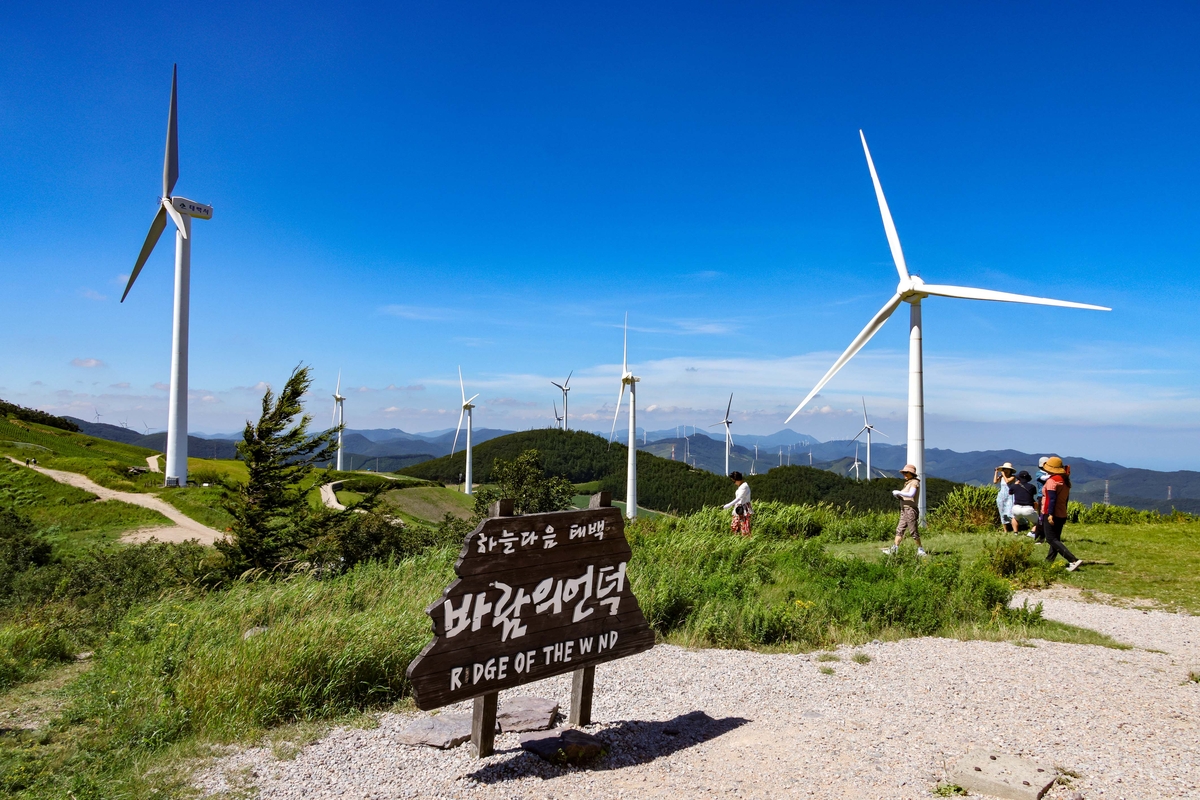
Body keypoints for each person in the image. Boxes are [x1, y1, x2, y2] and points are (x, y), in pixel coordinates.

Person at [1040, 456, 1082, 571]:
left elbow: (1051, 499)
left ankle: (1073, 560)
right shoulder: (1064, 481)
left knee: (1050, 539)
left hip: (1051, 512)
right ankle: (1048, 563)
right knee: (1055, 539)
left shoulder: (1051, 481)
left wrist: (1049, 514)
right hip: (1062, 512)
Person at [884, 464, 925, 556]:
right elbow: (906, 496)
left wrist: (898, 492)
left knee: (913, 531)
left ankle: (920, 549)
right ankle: (895, 549)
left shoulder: (914, 482)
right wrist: (898, 496)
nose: (904, 474)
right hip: (904, 509)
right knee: (900, 529)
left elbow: (911, 494)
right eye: (904, 472)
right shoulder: (908, 482)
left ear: (911, 473)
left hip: (911, 510)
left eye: (906, 472)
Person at [723, 471, 752, 536]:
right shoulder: (742, 486)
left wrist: (729, 505)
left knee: (744, 528)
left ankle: (745, 542)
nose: (734, 483)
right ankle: (737, 541)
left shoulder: (744, 487)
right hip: (738, 509)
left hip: (743, 509)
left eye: (734, 481)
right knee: (734, 526)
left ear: (738, 480)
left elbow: (739, 498)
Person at [993, 462, 1017, 531]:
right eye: (1004, 469)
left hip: (1010, 497)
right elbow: (995, 482)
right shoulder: (1002, 477)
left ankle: (1014, 528)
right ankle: (1005, 530)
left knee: (1011, 513)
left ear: (1010, 471)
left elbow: (1007, 482)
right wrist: (996, 473)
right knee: (1002, 513)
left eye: (1007, 469)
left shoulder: (1013, 477)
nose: (1005, 471)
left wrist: (1003, 474)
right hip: (1002, 497)